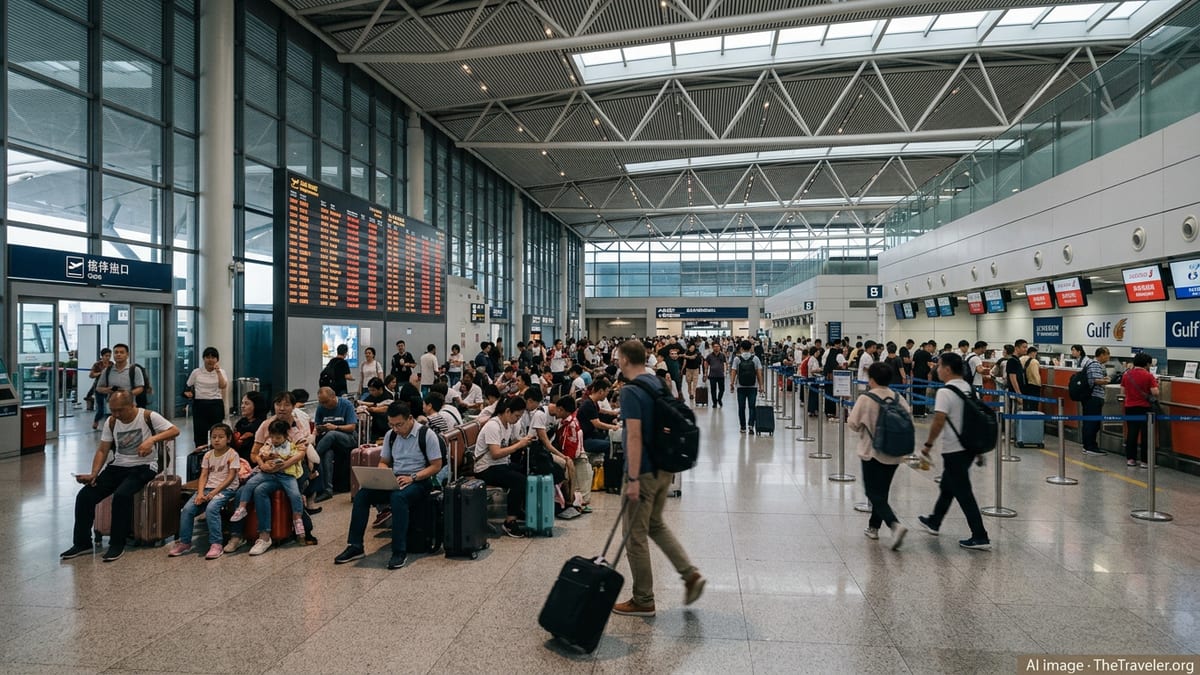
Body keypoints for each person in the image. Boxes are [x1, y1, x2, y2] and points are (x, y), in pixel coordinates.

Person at [612, 339, 705, 617]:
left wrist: (632, 478)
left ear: (625, 359)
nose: (617, 361)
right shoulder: (656, 382)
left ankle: (643, 599)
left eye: (618, 357)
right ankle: (689, 574)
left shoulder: (630, 391)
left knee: (634, 536)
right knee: (654, 524)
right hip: (664, 468)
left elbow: (634, 436)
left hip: (643, 472)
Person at [60, 391, 181, 562]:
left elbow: (175, 430)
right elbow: (102, 450)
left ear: (132, 405)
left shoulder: (148, 416)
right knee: (85, 496)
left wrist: (152, 440)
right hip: (118, 466)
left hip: (145, 465)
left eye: (120, 410)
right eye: (113, 410)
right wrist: (94, 474)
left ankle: (117, 543)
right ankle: (82, 543)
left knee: (122, 495)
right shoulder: (111, 421)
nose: (116, 414)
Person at [334, 403, 444, 570]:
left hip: (420, 480)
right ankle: (355, 546)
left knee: (398, 498)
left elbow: (436, 465)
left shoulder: (427, 435)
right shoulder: (390, 435)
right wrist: (383, 474)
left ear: (410, 419)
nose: (395, 429)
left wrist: (412, 478)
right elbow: (384, 461)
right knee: (362, 495)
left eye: (399, 424)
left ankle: (399, 550)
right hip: (396, 479)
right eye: (391, 425)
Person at [916, 352, 991, 551]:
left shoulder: (945, 392)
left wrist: (928, 445)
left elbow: (939, 420)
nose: (937, 369)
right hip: (968, 447)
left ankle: (980, 535)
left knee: (963, 493)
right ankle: (934, 521)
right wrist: (978, 450)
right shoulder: (969, 388)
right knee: (948, 486)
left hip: (954, 449)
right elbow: (975, 419)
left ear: (947, 369)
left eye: (939, 366)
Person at [224, 391, 310, 555]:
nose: (282, 408)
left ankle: (264, 536)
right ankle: (236, 535)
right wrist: (263, 465)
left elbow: (301, 452)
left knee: (260, 490)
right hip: (267, 470)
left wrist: (283, 464)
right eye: (278, 404)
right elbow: (254, 454)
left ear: (293, 407)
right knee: (241, 491)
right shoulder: (266, 426)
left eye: (286, 405)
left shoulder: (296, 427)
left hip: (289, 472)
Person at [847, 362, 910, 550]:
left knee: (872, 492)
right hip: (894, 452)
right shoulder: (898, 397)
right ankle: (873, 527)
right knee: (882, 492)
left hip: (872, 452)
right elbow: (908, 418)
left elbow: (853, 424)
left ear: (872, 379)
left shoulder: (866, 398)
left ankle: (894, 524)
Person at [168, 423, 241, 559]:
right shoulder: (208, 455)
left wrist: (214, 493)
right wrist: (201, 493)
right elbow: (203, 475)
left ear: (229, 439)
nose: (217, 440)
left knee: (211, 508)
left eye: (221, 437)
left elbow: (230, 477)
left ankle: (216, 544)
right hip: (208, 488)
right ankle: (185, 542)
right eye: (214, 437)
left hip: (226, 489)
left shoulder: (232, 454)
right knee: (188, 510)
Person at [472, 397, 533, 538]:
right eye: (517, 416)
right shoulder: (493, 426)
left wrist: (524, 441)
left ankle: (516, 509)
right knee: (519, 481)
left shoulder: (507, 424)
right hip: (485, 468)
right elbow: (495, 453)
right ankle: (510, 522)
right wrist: (519, 445)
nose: (517, 420)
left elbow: (507, 445)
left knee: (524, 471)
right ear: (507, 411)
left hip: (499, 465)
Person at [312, 387, 358, 501]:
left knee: (332, 434)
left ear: (333, 397)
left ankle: (313, 457)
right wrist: (319, 429)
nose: (324, 405)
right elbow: (317, 425)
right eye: (321, 402)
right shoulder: (321, 407)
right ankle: (328, 490)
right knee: (327, 453)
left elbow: (352, 427)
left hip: (348, 438)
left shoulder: (346, 405)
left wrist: (335, 427)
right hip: (329, 441)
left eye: (326, 402)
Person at [184, 347, 228, 449]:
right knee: (200, 431)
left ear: (217, 359)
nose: (210, 360)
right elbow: (188, 385)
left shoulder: (221, 372)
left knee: (217, 431)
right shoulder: (196, 372)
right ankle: (201, 452)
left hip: (216, 403)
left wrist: (218, 372)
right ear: (203, 358)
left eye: (213, 357)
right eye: (207, 357)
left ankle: (217, 451)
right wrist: (188, 393)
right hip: (200, 403)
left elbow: (222, 386)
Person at [554, 395, 591, 514]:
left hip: (576, 457)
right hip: (570, 456)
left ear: (562, 409)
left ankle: (579, 504)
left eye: (557, 409)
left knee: (580, 484)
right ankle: (575, 502)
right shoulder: (565, 422)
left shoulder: (571, 424)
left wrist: (568, 460)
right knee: (576, 483)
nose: (555, 411)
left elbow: (572, 445)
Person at [1122, 351, 1158, 468]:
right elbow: (1155, 392)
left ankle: (1131, 459)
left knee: (1132, 433)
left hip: (1129, 407)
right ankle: (1145, 461)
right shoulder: (1149, 376)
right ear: (1146, 364)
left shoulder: (1127, 374)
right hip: (1144, 408)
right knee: (1145, 434)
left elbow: (1122, 391)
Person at [1080, 347, 1110, 457]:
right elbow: (1095, 381)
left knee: (1089, 422)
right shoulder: (1095, 364)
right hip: (1094, 397)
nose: (1108, 357)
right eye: (1107, 355)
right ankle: (1090, 447)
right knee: (1092, 423)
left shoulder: (1090, 363)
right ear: (1102, 355)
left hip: (1089, 398)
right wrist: (1107, 381)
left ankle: (1087, 446)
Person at [730, 339, 764, 434]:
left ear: (741, 348)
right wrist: (761, 386)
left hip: (740, 386)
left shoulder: (737, 359)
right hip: (753, 386)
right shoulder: (755, 359)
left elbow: (733, 371)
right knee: (752, 407)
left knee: (741, 407)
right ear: (750, 348)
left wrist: (732, 383)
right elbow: (759, 373)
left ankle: (743, 427)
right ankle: (751, 426)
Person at [232, 391, 268, 461]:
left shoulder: (263, 424)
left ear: (256, 405)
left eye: (246, 403)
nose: (242, 406)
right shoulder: (240, 422)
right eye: (242, 403)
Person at [88, 347, 113, 430]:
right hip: (99, 388)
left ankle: (112, 423)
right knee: (101, 409)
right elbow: (91, 375)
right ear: (102, 356)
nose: (108, 358)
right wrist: (100, 373)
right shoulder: (97, 364)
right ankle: (96, 421)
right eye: (106, 356)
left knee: (113, 406)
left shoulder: (111, 364)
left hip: (109, 388)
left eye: (109, 356)